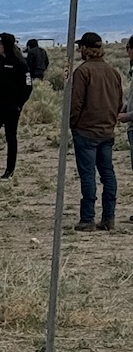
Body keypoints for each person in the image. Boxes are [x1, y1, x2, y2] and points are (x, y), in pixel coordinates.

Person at [69, 30, 123, 230]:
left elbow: (75, 103)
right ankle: (109, 217)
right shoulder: (113, 72)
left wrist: (73, 123)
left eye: (80, 47)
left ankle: (87, 218)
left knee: (88, 174)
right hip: (107, 131)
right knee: (108, 173)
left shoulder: (83, 72)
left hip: (86, 131)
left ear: (85, 48)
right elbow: (119, 102)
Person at [0, 32, 31, 181]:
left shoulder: (19, 63)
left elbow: (28, 87)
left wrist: (18, 105)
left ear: (6, 45)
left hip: (11, 108)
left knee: (10, 138)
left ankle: (9, 170)